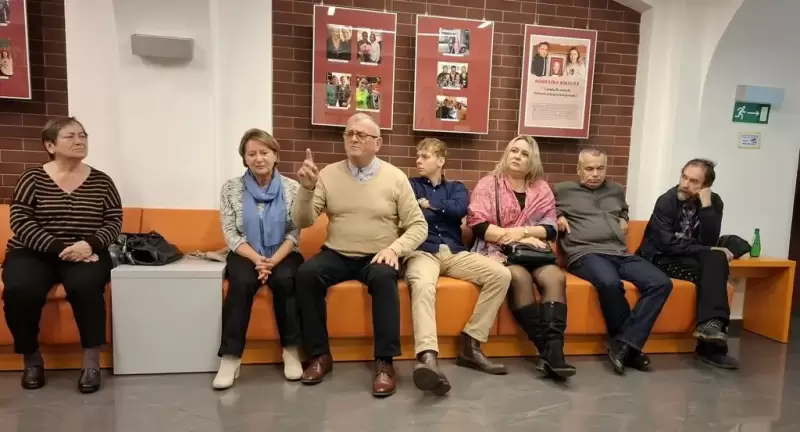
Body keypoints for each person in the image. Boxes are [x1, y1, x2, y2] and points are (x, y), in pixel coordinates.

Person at [292, 113, 427, 397]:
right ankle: (319, 355)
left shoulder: (395, 177)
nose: (353, 138)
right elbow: (302, 221)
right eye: (349, 133)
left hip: (379, 254)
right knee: (306, 275)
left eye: (361, 134)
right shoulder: (327, 175)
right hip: (337, 252)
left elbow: (418, 225)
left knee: (384, 278)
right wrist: (306, 189)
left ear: (378, 143)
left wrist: (395, 249)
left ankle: (385, 362)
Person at [2, 117, 122, 393]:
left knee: (86, 286)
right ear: (50, 145)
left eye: (83, 135)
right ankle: (32, 360)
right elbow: (21, 221)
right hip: (33, 252)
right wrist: (62, 249)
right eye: (70, 136)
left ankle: (91, 362)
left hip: (87, 252)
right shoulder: (32, 178)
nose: (80, 141)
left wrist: (90, 245)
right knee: (20, 289)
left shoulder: (102, 181)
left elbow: (114, 221)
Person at [405, 138, 511, 396]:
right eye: (418, 156)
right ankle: (428, 358)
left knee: (501, 274)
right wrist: (439, 209)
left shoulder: (457, 187)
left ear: (441, 161)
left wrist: (429, 206)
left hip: (454, 252)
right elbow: (411, 214)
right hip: (423, 251)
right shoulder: (410, 185)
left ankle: (471, 345)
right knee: (423, 285)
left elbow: (460, 209)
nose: (418, 160)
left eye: (425, 156)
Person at [554, 149, 673, 375]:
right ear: (578, 169)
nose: (595, 174)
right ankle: (630, 348)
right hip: (584, 253)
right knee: (609, 282)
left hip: (620, 252)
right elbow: (541, 207)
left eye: (600, 168)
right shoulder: (562, 190)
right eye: (589, 169)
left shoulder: (616, 190)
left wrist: (623, 217)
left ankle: (624, 344)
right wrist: (557, 215)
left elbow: (623, 209)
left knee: (661, 282)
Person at [467, 135, 576, 379]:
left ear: (532, 160)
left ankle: (554, 350)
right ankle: (549, 352)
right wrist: (521, 236)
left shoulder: (541, 188)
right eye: (514, 150)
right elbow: (480, 226)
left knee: (556, 278)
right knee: (519, 278)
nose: (517, 156)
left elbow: (550, 229)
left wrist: (523, 233)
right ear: (506, 154)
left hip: (534, 252)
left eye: (524, 153)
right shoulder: (488, 184)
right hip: (498, 250)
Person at [213, 129, 304, 389]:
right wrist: (258, 260)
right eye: (251, 153)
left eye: (264, 152)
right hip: (246, 252)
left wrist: (272, 261)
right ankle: (231, 358)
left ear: (275, 155)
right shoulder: (231, 188)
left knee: (286, 280)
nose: (258, 158)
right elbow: (231, 233)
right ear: (244, 158)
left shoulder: (292, 188)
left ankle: (291, 351)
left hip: (283, 252)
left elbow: (294, 232)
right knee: (241, 283)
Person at [637, 159, 739, 369]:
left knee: (716, 260)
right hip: (658, 257)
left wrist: (707, 207)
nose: (685, 184)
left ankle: (710, 328)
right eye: (684, 177)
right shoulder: (667, 200)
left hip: (688, 256)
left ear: (705, 186)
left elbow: (709, 240)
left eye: (694, 181)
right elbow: (666, 244)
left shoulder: (714, 202)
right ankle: (711, 347)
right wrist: (707, 250)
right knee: (713, 269)